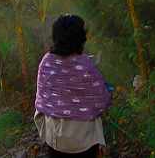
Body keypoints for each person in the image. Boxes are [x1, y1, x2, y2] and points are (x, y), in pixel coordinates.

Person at [34, 14, 112, 157]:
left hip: (55, 139)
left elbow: (42, 100)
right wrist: (107, 92)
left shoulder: (46, 62)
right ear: (80, 38)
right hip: (84, 141)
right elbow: (102, 101)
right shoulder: (86, 65)